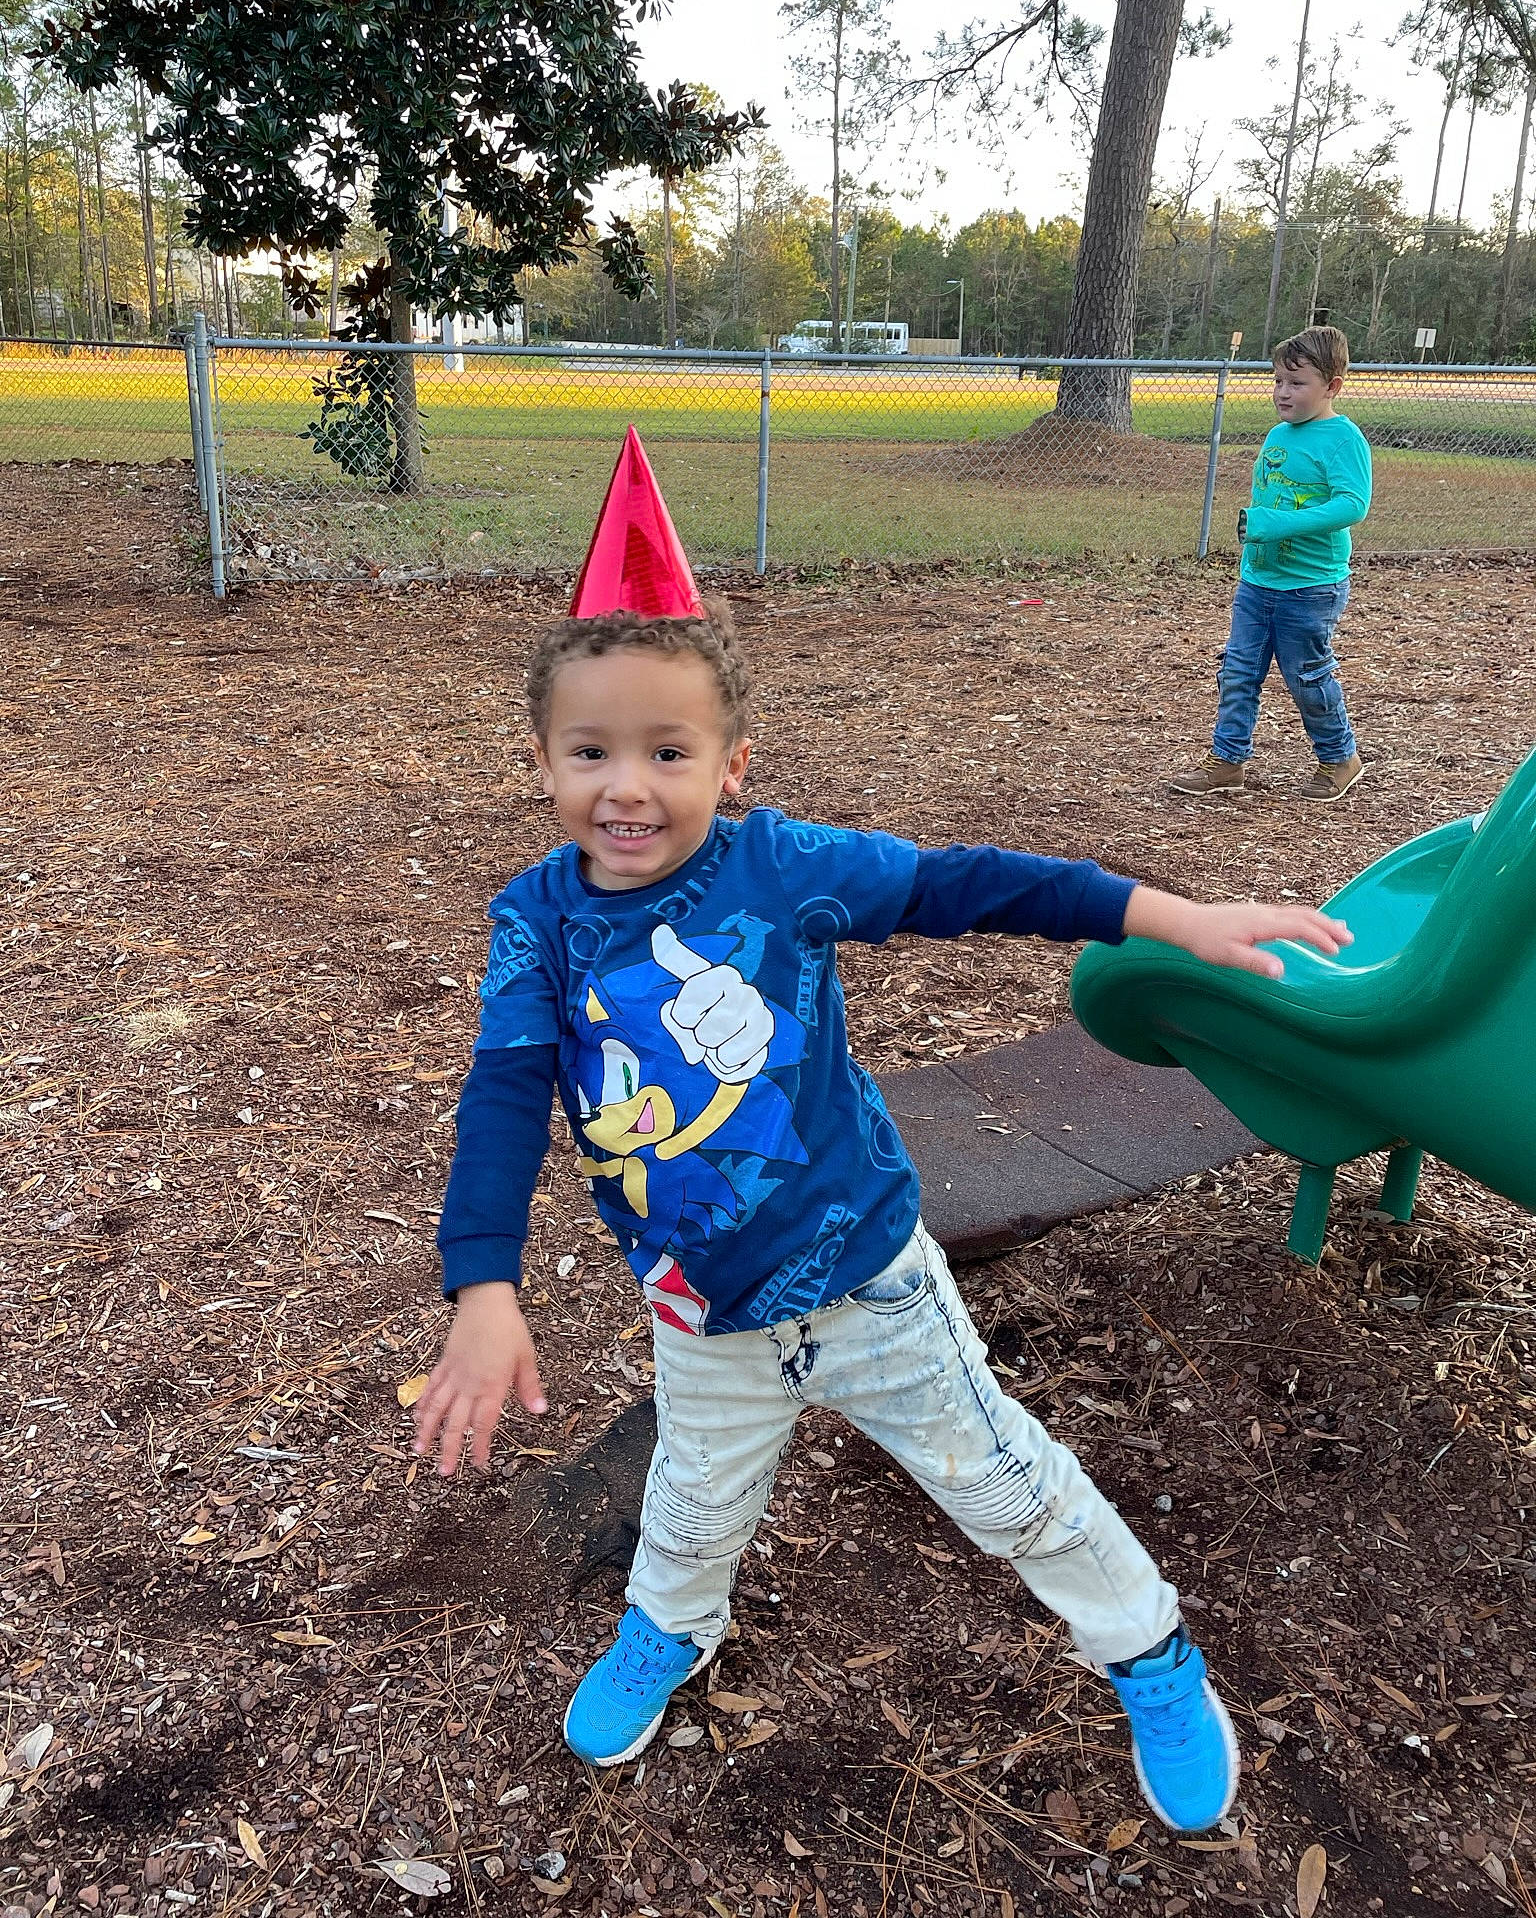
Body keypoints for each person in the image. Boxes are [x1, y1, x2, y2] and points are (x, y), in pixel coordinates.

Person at [411, 432, 1352, 1836]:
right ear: (541, 758)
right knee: (689, 1497)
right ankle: (672, 1626)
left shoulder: (787, 867)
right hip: (700, 1301)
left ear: (732, 764)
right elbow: (501, 1091)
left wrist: (1177, 917)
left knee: (1006, 1485)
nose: (628, 785)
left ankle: (1148, 1647)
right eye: (592, 750)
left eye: (668, 751)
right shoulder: (534, 919)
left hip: (866, 1278)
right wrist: (483, 1287)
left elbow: (980, 885)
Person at [1169, 324, 1371, 804]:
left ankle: (1340, 757)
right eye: (1278, 380)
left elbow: (1353, 505)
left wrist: (1277, 525)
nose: (1283, 391)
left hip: (1310, 587)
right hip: (1258, 582)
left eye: (1297, 383)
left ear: (1332, 387)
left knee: (1307, 678)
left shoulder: (1343, 439)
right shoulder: (1280, 434)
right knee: (1238, 671)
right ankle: (1227, 761)